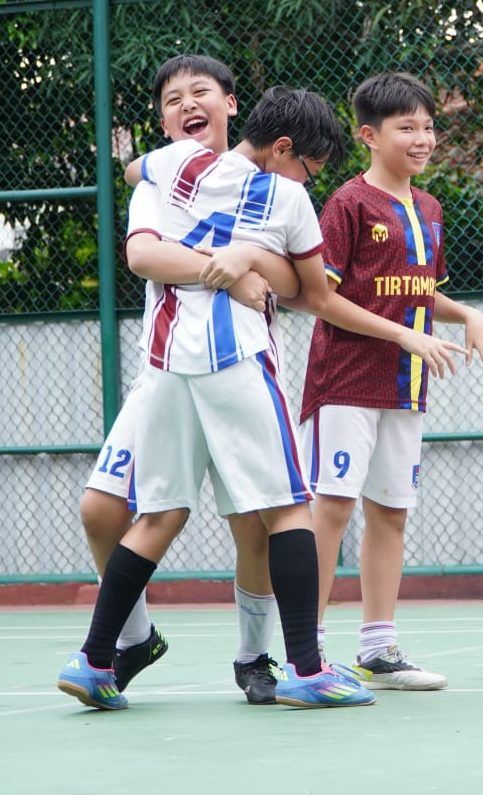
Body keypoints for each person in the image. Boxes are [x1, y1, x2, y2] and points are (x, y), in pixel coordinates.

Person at [56, 85, 462, 711]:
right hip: (237, 360)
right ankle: (306, 669)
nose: (309, 181)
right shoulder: (285, 195)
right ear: (283, 149)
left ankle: (93, 660)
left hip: (163, 363)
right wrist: (246, 260)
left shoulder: (170, 166)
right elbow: (311, 292)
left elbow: (138, 204)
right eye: (309, 167)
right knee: (289, 510)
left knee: (158, 516)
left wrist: (232, 258)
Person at [80, 54, 301, 704]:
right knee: (102, 509)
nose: (185, 104)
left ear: (231, 103)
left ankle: (254, 656)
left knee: (254, 520)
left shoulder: (266, 185)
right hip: (166, 369)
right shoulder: (156, 180)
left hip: (237, 367)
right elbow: (145, 255)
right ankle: (134, 640)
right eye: (171, 99)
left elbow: (297, 280)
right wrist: (229, 271)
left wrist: (251, 265)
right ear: (162, 122)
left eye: (199, 91)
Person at [300, 72, 483, 692]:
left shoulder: (429, 209)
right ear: (369, 135)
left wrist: (467, 314)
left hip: (406, 385)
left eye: (428, 127)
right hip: (345, 382)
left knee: (390, 513)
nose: (423, 139)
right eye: (406, 127)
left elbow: (416, 293)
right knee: (332, 508)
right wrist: (403, 335)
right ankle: (307, 650)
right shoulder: (347, 204)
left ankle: (378, 649)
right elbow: (323, 298)